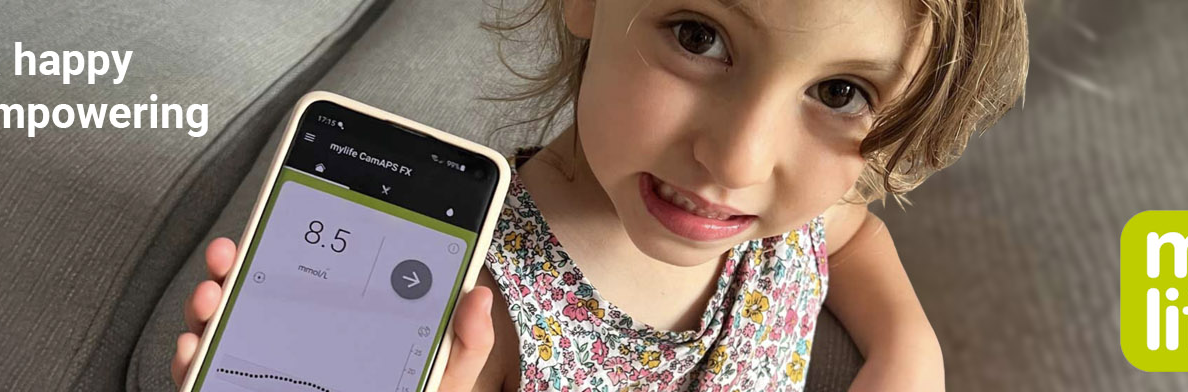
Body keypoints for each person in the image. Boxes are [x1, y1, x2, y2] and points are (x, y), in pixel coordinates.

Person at [174, 0, 1027, 390]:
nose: (737, 157)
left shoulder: (791, 217)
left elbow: (850, 237)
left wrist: (910, 354)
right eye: (700, 38)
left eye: (840, 94)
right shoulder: (487, 311)